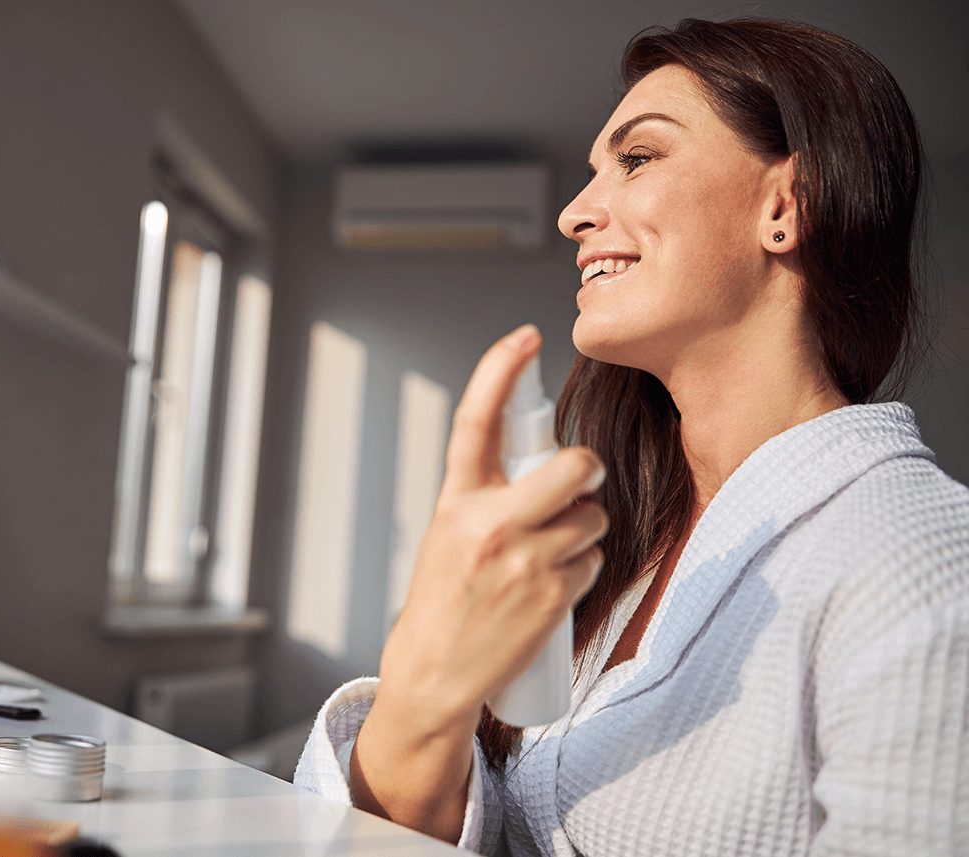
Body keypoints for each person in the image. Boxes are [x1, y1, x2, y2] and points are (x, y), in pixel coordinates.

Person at [294, 16, 969, 857]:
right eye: (591, 175)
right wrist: (422, 691)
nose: (575, 214)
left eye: (637, 158)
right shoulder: (635, 544)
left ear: (785, 205)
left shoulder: (925, 562)